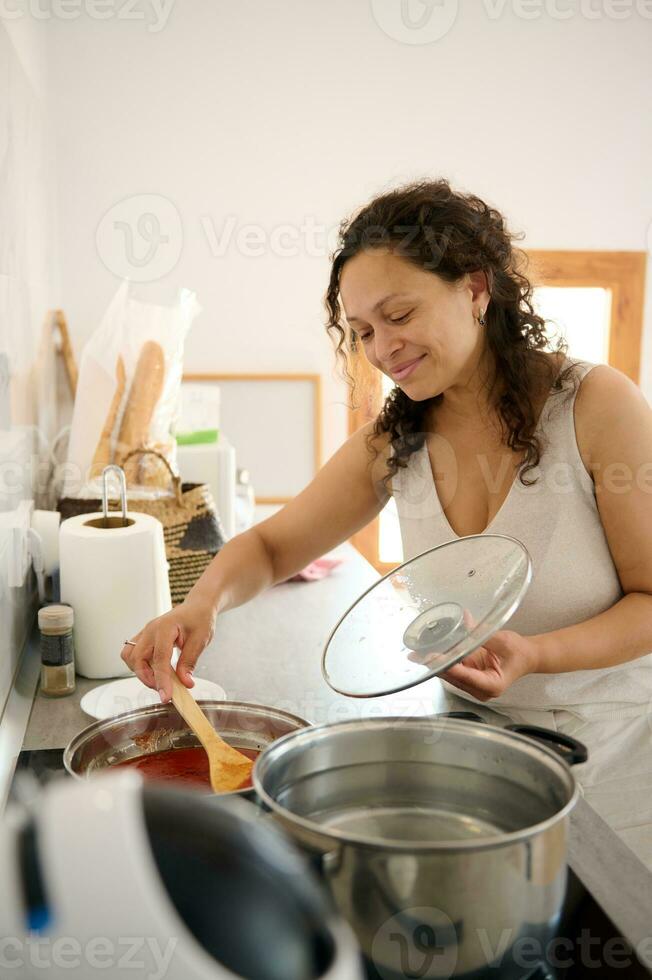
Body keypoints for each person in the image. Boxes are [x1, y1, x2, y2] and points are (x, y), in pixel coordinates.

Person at [122, 178, 652, 863]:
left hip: (614, 760)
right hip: (474, 753)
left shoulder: (597, 405)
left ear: (475, 289)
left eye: (399, 314)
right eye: (364, 331)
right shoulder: (395, 439)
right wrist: (200, 607)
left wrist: (537, 656)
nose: (382, 348)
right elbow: (273, 545)